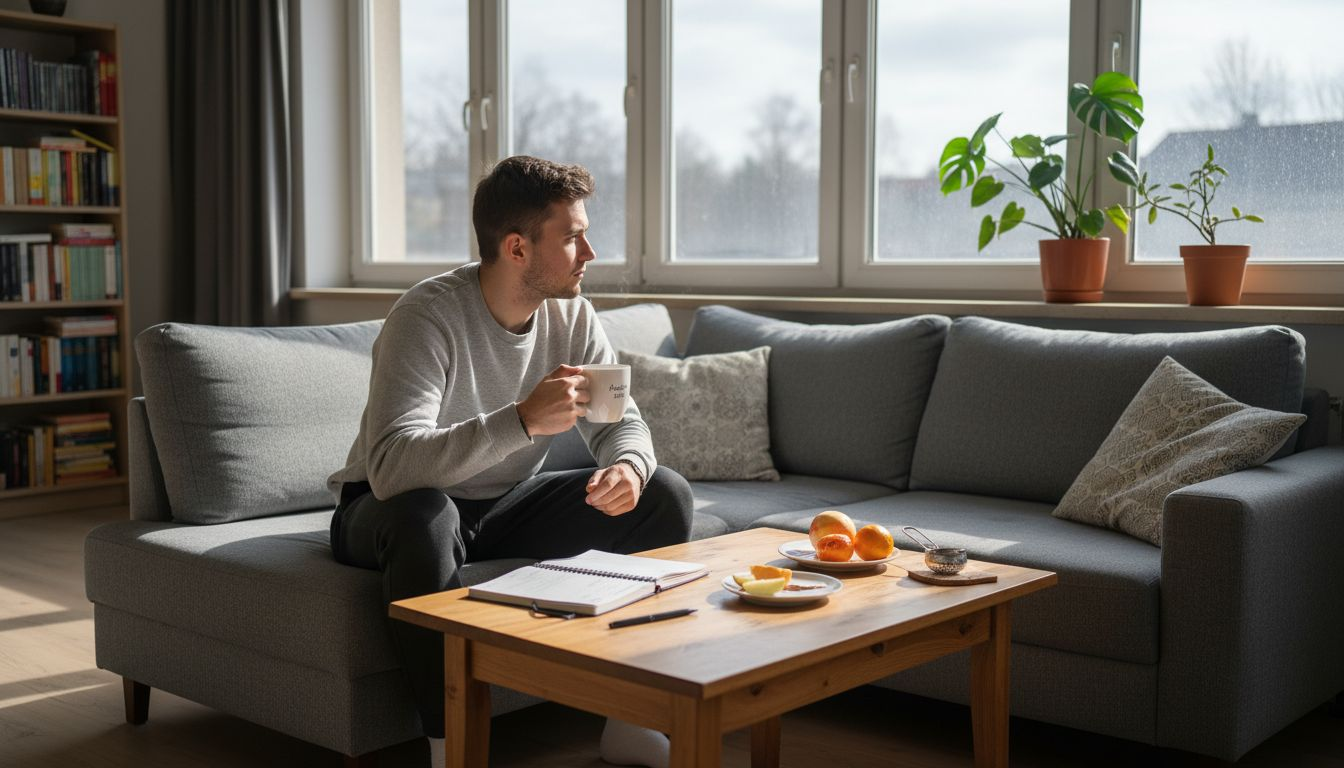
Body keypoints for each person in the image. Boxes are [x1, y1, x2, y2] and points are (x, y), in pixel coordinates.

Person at [327, 155, 694, 768]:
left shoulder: (572, 312)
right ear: (518, 248)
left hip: (501, 503)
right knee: (427, 516)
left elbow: (618, 417)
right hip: (388, 507)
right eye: (573, 236)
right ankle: (452, 749)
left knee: (665, 494)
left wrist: (628, 466)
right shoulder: (426, 317)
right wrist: (520, 420)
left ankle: (631, 720)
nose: (591, 252)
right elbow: (391, 468)